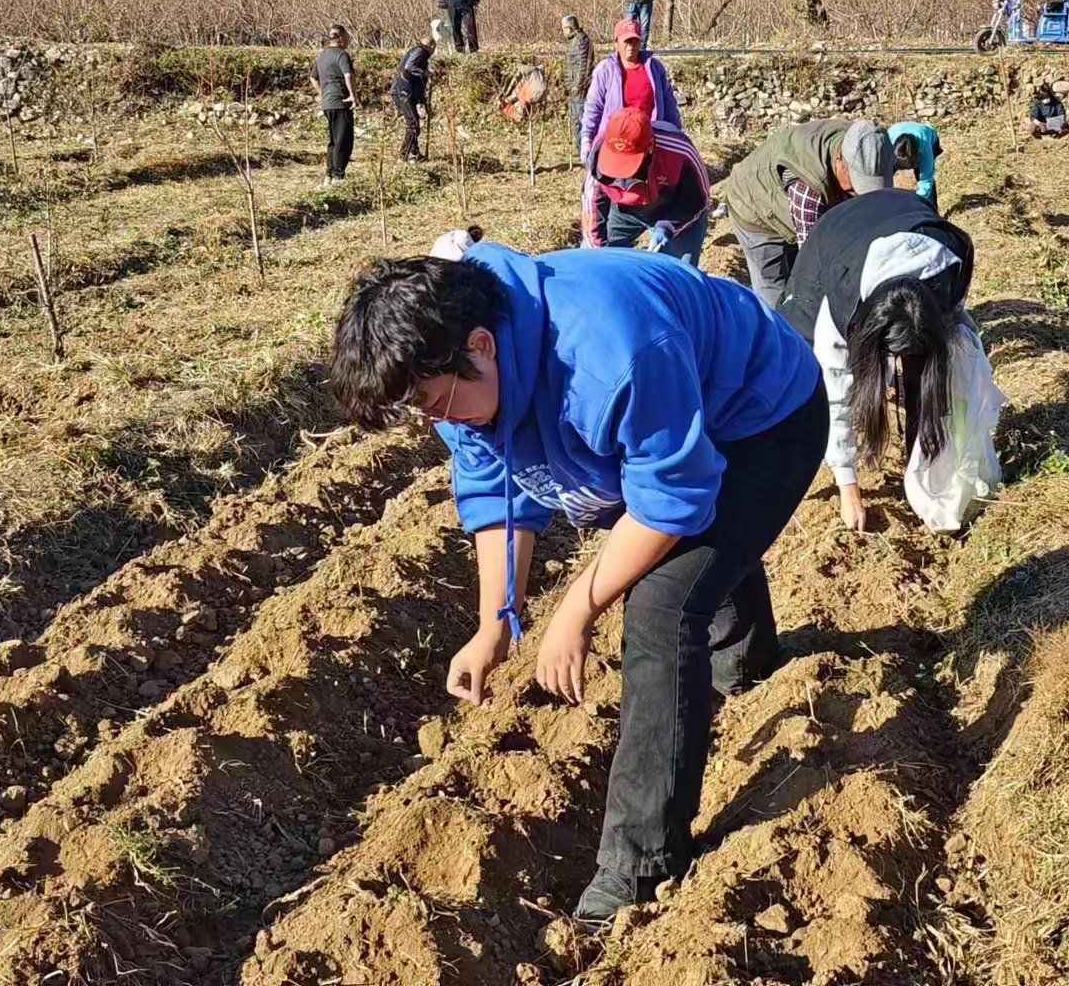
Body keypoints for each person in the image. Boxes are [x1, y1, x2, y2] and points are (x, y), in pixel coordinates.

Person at [330, 244, 828, 924]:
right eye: (419, 411)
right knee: (696, 555)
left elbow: (672, 497)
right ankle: (749, 661)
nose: (436, 421)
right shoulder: (458, 382)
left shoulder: (608, 354)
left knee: (661, 607)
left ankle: (641, 863)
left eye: (433, 401)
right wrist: (494, 623)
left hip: (765, 415)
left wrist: (575, 609)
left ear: (480, 345)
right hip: (683, 416)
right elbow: (495, 485)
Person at [778, 189, 979, 532]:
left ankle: (919, 463)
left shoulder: (949, 268)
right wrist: (848, 487)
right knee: (803, 367)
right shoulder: (843, 301)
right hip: (837, 236)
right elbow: (834, 389)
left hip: (906, 213)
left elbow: (961, 341)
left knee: (924, 376)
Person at [724, 119, 895, 309]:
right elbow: (812, 263)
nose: (858, 193)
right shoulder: (809, 190)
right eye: (856, 185)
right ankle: (775, 324)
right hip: (753, 205)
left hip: (792, 202)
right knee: (774, 292)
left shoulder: (868, 145)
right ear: (840, 160)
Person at [584, 107, 710, 265]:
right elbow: (591, 203)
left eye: (627, 162)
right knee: (593, 257)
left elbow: (698, 199)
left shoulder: (678, 152)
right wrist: (597, 251)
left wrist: (668, 226)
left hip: (673, 209)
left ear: (650, 146)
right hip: (625, 211)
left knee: (681, 271)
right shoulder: (598, 154)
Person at [578, 18, 681, 165]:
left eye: (635, 41)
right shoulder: (605, 70)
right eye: (626, 41)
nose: (631, 46)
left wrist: (676, 134)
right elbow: (594, 106)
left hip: (649, 140)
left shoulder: (654, 68)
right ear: (616, 43)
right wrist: (586, 137)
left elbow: (669, 103)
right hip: (616, 140)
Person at [310, 25, 358, 187]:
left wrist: (323, 93)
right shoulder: (342, 55)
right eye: (347, 37)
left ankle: (329, 175)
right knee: (343, 139)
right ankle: (338, 175)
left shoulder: (322, 55)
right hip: (341, 102)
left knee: (333, 140)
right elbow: (348, 75)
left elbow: (313, 78)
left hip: (328, 104)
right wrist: (352, 95)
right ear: (342, 38)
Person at [392, 32, 434, 162]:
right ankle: (404, 154)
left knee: (414, 123)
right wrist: (426, 73)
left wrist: (422, 100)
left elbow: (418, 82)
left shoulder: (416, 52)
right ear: (432, 46)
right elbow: (409, 67)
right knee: (413, 125)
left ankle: (414, 153)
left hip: (406, 92)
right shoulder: (421, 51)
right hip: (404, 92)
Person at [887, 120, 944, 212]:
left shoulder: (925, 150)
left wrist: (914, 204)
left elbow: (926, 182)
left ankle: (932, 212)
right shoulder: (887, 142)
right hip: (896, 132)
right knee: (886, 174)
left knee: (923, 177)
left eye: (909, 166)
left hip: (928, 136)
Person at [562, 14, 593, 158]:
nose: (563, 31)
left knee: (581, 118)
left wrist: (577, 85)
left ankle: (581, 147)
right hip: (574, 87)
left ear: (570, 27)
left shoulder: (580, 41)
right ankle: (579, 146)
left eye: (564, 28)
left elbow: (582, 65)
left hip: (579, 88)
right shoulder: (573, 40)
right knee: (577, 117)